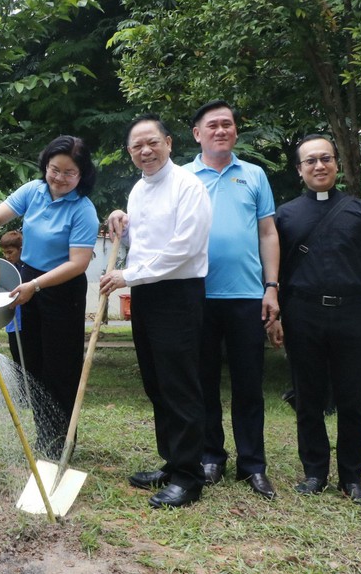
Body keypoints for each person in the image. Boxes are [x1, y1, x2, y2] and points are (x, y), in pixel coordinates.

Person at [270, 134, 361, 507]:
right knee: (307, 397)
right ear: (299, 170)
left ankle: (352, 478)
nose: (319, 166)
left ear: (337, 164)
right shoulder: (285, 215)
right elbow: (274, 268)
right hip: (302, 313)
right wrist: (275, 312)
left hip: (352, 314)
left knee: (353, 399)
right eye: (310, 161)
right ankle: (314, 473)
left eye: (326, 158)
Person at [99, 115, 212, 509]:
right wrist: (120, 225)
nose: (145, 151)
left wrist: (128, 275)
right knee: (156, 383)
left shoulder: (188, 186)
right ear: (130, 153)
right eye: (136, 147)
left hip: (179, 294)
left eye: (152, 143)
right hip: (147, 294)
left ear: (168, 143)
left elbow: (184, 248)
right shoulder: (137, 191)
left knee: (179, 384)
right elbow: (143, 241)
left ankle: (188, 476)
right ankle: (172, 461)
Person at [182, 100, 280, 499]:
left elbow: (268, 233)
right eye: (213, 125)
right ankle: (210, 456)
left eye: (228, 124)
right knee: (202, 381)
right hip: (195, 294)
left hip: (246, 296)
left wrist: (271, 286)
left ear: (236, 131)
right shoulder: (182, 177)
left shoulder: (254, 175)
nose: (221, 130)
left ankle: (252, 465)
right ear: (197, 134)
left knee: (248, 384)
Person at [0, 136, 100, 457]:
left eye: (69, 173)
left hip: (62, 288)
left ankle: (61, 439)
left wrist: (36, 286)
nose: (59, 178)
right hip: (26, 281)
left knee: (60, 366)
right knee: (27, 360)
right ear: (46, 165)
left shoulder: (83, 210)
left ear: (82, 175)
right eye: (54, 169)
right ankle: (43, 430)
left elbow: (79, 263)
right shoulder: (33, 191)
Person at [0, 231, 24, 358]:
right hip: (13, 324)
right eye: (4, 253)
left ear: (20, 249)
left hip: (27, 322)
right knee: (17, 358)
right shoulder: (7, 270)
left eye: (10, 252)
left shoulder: (27, 269)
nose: (7, 256)